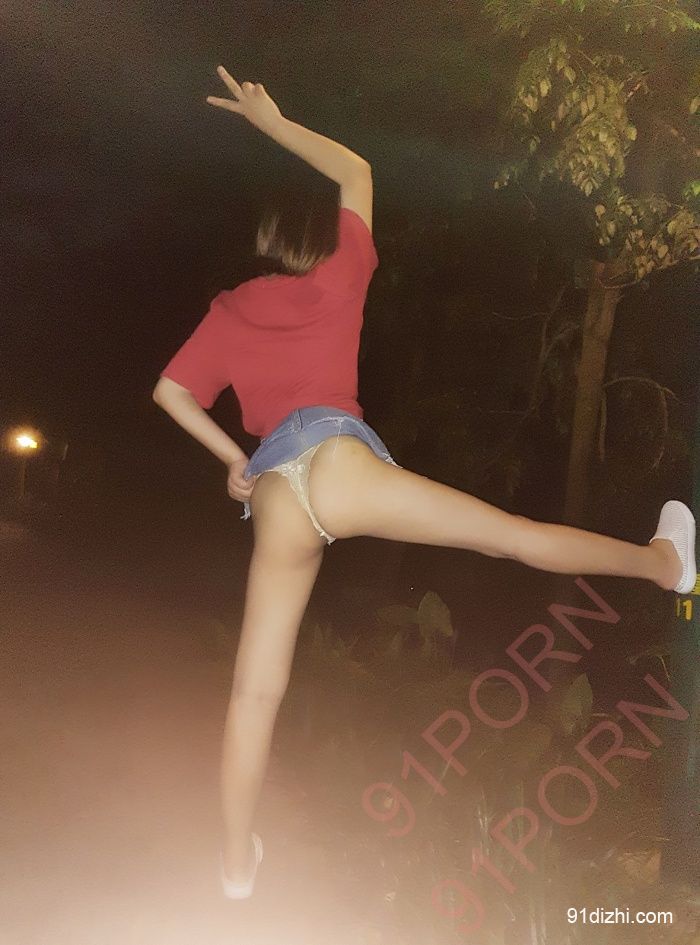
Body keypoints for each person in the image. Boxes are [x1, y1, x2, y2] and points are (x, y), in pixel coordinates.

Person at [153, 66, 697, 899]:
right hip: (337, 461)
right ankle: (666, 564)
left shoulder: (227, 309)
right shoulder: (338, 273)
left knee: (254, 692)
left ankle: (234, 867)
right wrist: (272, 122)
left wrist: (233, 457)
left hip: (276, 496)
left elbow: (170, 392)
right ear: (312, 236)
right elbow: (357, 171)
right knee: (511, 536)